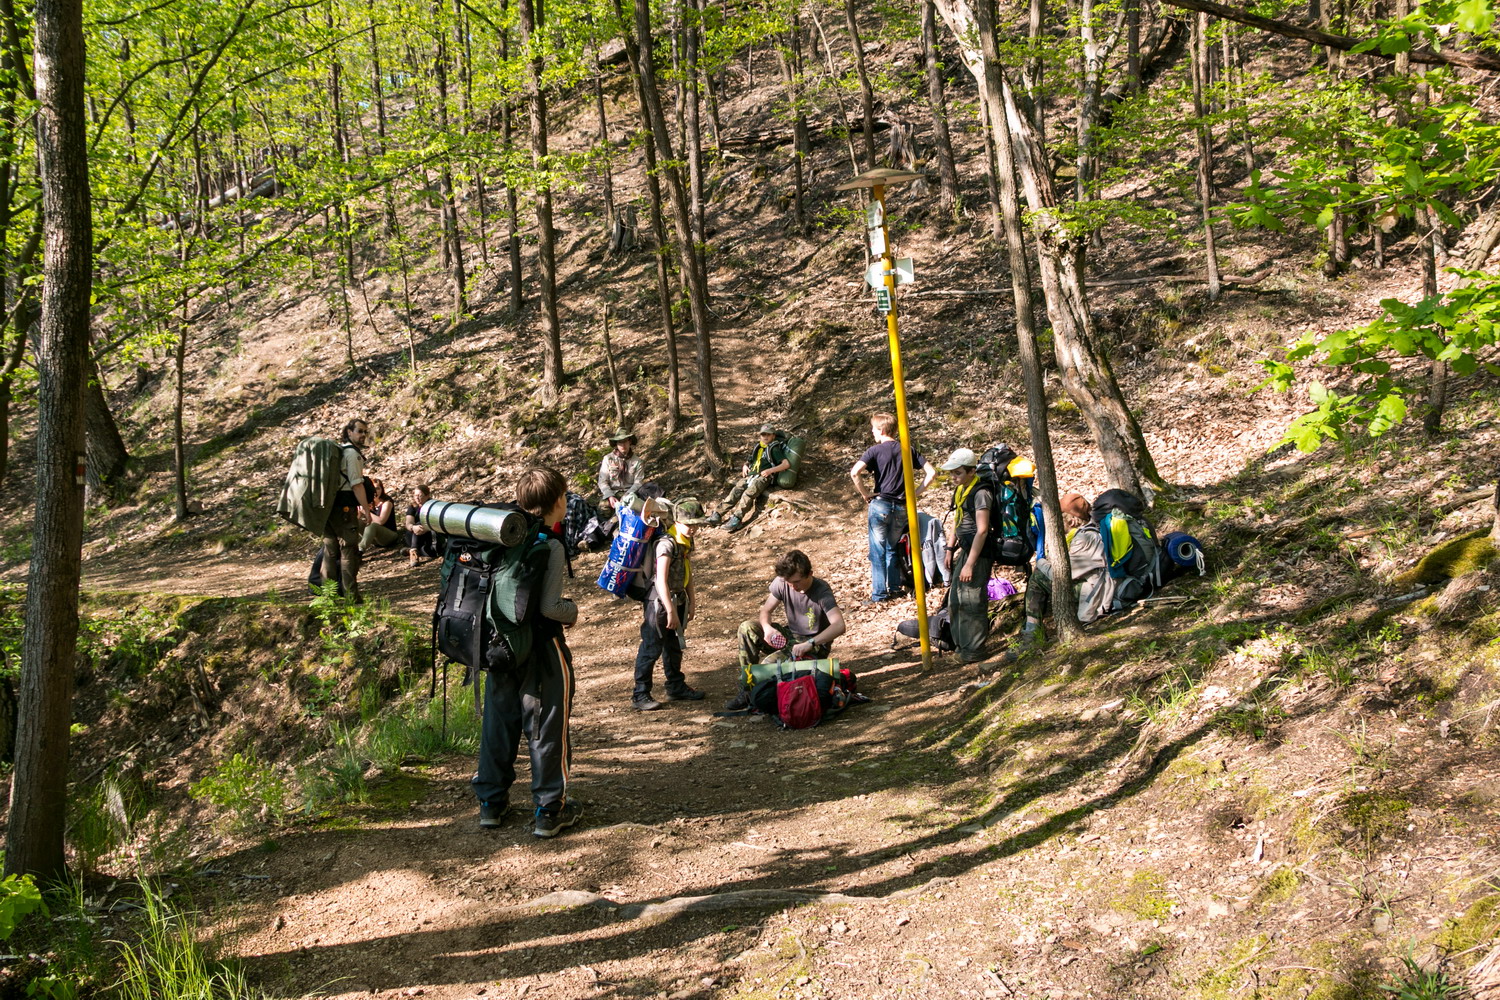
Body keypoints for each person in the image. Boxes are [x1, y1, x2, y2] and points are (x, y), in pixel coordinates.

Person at [473, 466, 582, 839]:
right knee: (546, 727)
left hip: (499, 646)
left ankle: (491, 804)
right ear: (556, 502)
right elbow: (550, 607)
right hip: (540, 650)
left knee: (498, 724)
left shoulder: (502, 535)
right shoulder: (549, 545)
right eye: (564, 496)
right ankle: (550, 810)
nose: (566, 502)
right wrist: (573, 611)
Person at [725, 549, 846, 711]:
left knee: (767, 666)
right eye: (789, 582)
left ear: (809, 574)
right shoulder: (783, 582)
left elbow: (839, 625)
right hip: (790, 636)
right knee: (747, 628)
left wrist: (810, 643)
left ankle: (760, 690)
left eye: (796, 582)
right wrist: (767, 628)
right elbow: (766, 611)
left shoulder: (821, 591)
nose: (792, 586)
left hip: (813, 644)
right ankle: (747, 688)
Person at [1002, 492, 1102, 663]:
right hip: (1087, 587)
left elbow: (1063, 575)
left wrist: (1041, 562)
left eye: (1059, 519)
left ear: (1072, 521)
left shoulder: (1085, 538)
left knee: (1038, 578)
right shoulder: (1080, 535)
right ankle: (1031, 631)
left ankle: (1032, 634)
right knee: (1040, 574)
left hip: (1091, 594)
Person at [848, 413, 936, 604]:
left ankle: (879, 594)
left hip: (881, 505)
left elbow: (855, 472)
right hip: (902, 507)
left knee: (877, 550)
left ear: (882, 430)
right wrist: (915, 493)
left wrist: (865, 493)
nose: (872, 432)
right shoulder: (907, 449)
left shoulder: (874, 451)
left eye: (873, 429)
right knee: (893, 547)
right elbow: (931, 473)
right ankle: (895, 588)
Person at [632, 498, 709, 711]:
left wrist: (692, 601)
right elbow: (660, 580)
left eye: (696, 524)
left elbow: (687, 572)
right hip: (659, 604)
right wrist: (670, 610)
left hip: (678, 599)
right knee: (651, 647)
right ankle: (640, 694)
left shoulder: (685, 541)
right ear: (677, 521)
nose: (693, 529)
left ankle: (675, 686)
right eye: (689, 524)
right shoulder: (666, 544)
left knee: (674, 646)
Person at [940, 448, 995, 664]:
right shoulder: (962, 490)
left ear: (972, 471)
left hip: (979, 554)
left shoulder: (981, 493)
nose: (954, 477)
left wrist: (970, 564)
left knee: (971, 600)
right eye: (952, 473)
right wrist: (949, 548)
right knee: (956, 600)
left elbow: (982, 530)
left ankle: (974, 650)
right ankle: (962, 647)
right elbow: (958, 520)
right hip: (965, 549)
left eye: (958, 473)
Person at [313, 420, 374, 602]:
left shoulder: (337, 451)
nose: (363, 435)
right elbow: (357, 485)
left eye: (365, 432)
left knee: (330, 550)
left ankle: (328, 595)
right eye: (359, 431)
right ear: (349, 432)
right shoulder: (352, 454)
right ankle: (351, 596)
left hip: (327, 505)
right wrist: (366, 509)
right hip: (344, 508)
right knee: (348, 549)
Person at [707, 423, 790, 533]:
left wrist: (770, 470)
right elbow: (750, 460)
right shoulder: (758, 447)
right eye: (763, 434)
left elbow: (786, 464)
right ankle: (717, 514)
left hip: (764, 477)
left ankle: (737, 518)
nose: (765, 437)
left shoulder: (774, 449)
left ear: (773, 436)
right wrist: (745, 465)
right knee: (736, 490)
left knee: (748, 493)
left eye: (768, 434)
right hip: (751, 475)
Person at [596, 429, 644, 533]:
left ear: (629, 442)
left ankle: (623, 530)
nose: (623, 445)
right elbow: (602, 481)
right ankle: (606, 532)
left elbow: (638, 482)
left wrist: (627, 495)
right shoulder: (608, 459)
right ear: (616, 444)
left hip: (630, 493)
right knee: (603, 508)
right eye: (620, 442)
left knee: (632, 510)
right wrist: (609, 496)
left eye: (625, 441)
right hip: (613, 492)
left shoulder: (637, 461)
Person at [360, 479, 400, 552]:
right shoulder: (369, 501)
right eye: (373, 489)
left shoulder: (387, 502)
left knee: (372, 526)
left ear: (382, 489)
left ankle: (360, 549)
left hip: (389, 536)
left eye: (378, 488)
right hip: (375, 538)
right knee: (357, 522)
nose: (375, 491)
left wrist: (366, 511)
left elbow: (381, 521)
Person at [406, 483, 439, 566]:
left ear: (427, 496)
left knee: (433, 552)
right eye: (415, 495)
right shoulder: (412, 507)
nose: (417, 498)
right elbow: (408, 523)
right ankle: (414, 551)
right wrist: (413, 527)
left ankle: (412, 550)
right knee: (417, 526)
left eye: (420, 495)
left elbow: (437, 522)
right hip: (415, 534)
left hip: (429, 534)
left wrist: (427, 528)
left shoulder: (433, 506)